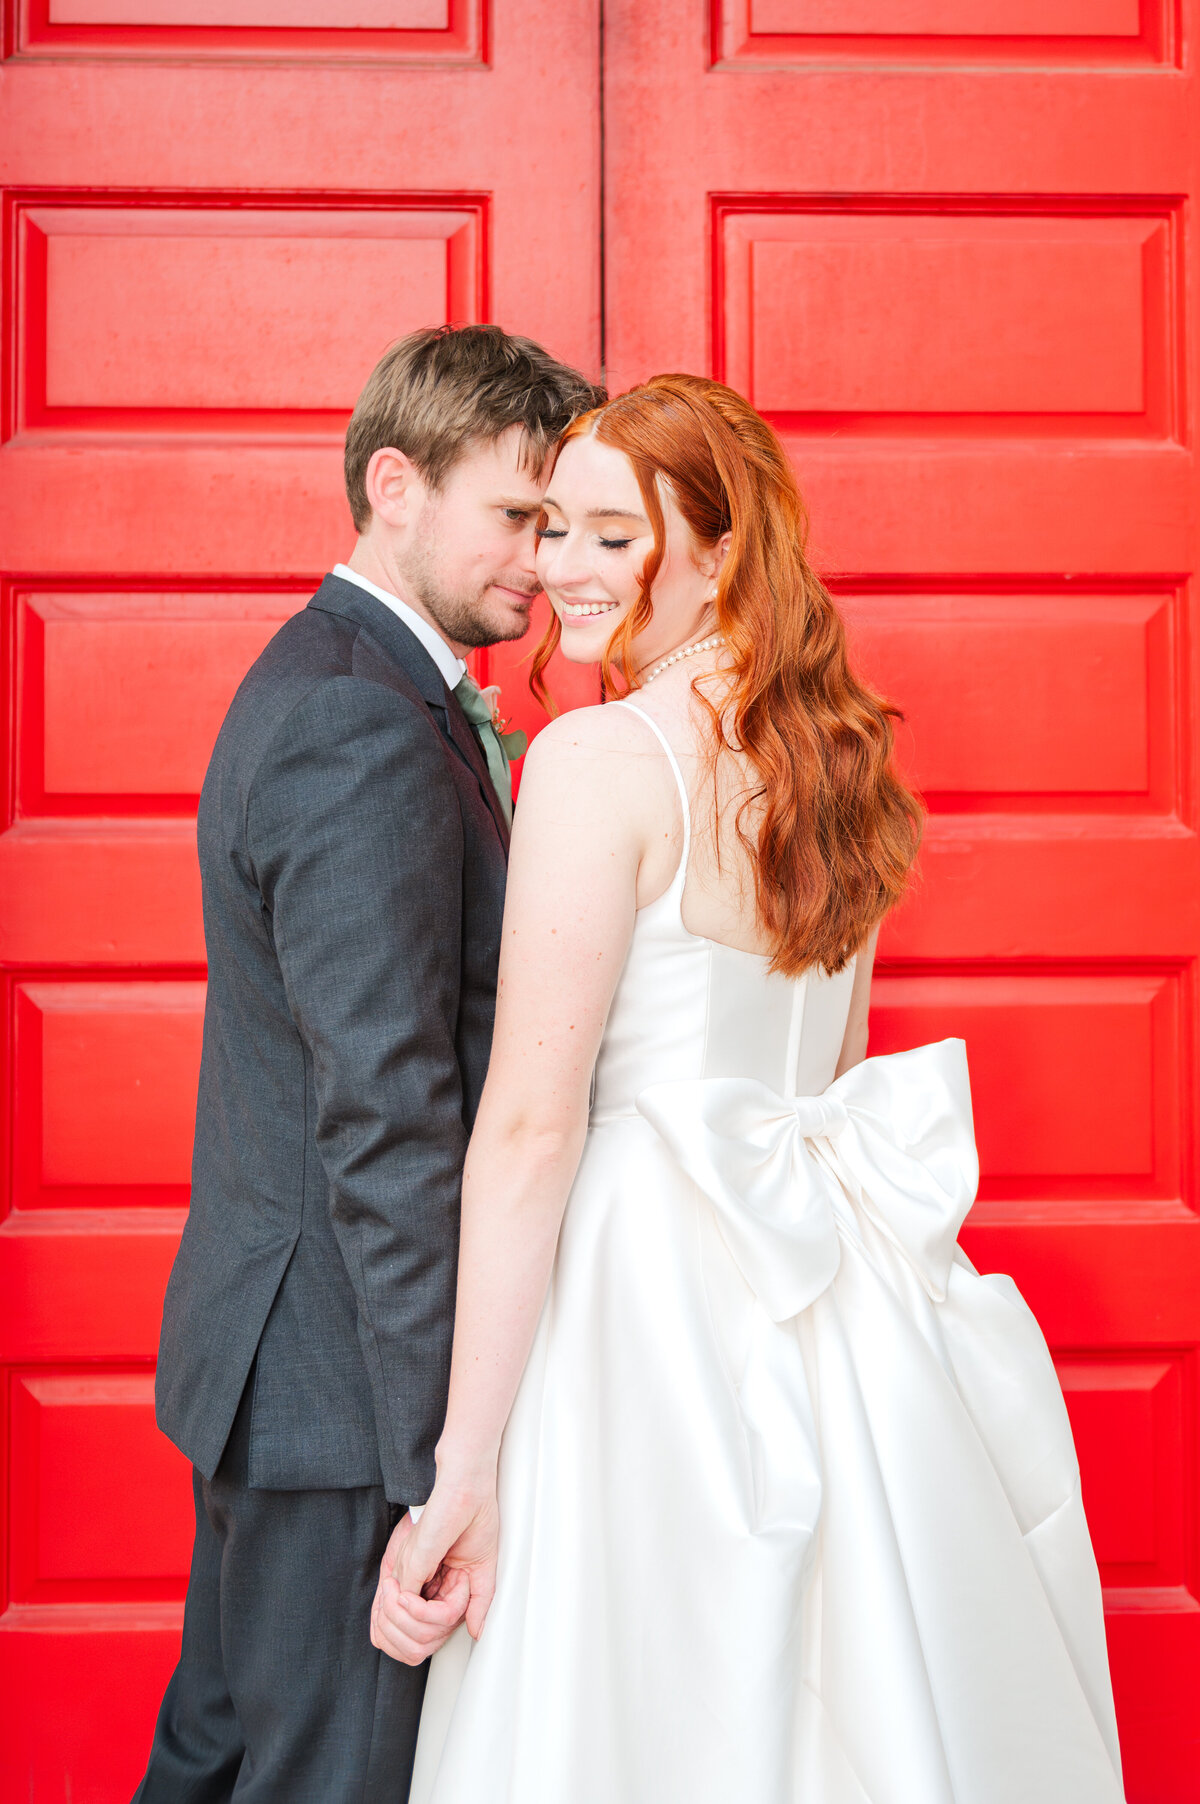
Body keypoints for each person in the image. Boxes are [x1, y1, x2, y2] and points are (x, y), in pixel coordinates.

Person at [375, 375, 1126, 1803]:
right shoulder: (839, 761)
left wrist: (463, 1466)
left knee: (645, 1691)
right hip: (833, 1279)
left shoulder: (596, 761)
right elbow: (829, 1074)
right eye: (551, 530)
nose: (558, 570)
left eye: (612, 535)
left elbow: (532, 1128)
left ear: (718, 554)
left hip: (639, 1295)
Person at [134, 324, 603, 1803]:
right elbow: (387, 1121)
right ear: (394, 484)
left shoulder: (348, 678)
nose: (541, 559)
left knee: (219, 1762)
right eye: (515, 514)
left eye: (558, 520)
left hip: (285, 1369)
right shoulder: (360, 720)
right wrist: (437, 1458)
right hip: (344, 1393)